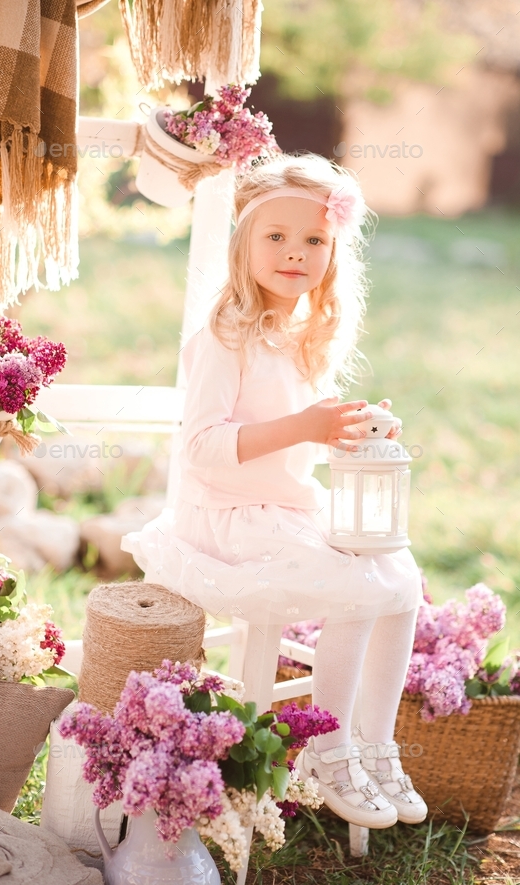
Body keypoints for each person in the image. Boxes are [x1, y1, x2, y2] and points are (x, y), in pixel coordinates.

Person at [124, 153, 426, 829]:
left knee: (402, 578)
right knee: (361, 584)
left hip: (285, 507)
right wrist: (304, 424)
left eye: (314, 240)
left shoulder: (301, 333)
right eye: (277, 237)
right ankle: (326, 748)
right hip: (223, 516)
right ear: (245, 243)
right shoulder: (223, 333)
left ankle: (374, 746)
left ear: (334, 252)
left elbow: (300, 438)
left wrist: (348, 430)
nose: (296, 253)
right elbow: (203, 446)